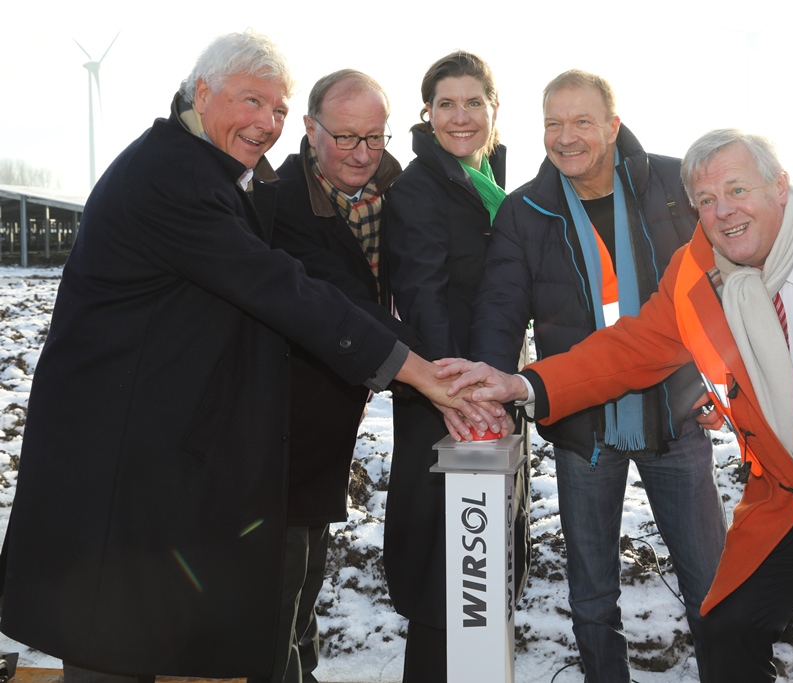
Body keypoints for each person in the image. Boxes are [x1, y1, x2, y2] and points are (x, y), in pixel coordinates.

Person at [0, 31, 499, 683]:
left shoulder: (211, 169)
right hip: (116, 459)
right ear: (202, 93)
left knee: (134, 635)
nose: (266, 121)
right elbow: (285, 287)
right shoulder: (173, 179)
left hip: (154, 450)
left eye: (277, 108)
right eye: (252, 101)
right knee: (109, 640)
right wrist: (421, 371)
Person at [442, 129, 793, 683]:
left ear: (780, 185)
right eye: (705, 200)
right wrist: (525, 385)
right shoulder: (697, 271)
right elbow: (630, 349)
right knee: (728, 628)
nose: (722, 211)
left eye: (737, 189)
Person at [468, 69, 726, 682]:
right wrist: (486, 392)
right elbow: (501, 310)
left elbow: (727, 287)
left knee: (714, 587)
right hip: (582, 425)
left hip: (675, 412)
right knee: (591, 597)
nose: (566, 137)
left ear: (613, 125)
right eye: (553, 123)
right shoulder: (525, 210)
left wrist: (724, 383)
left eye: (582, 121)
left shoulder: (677, 186)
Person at [261, 69, 421, 683]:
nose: (361, 153)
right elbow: (339, 301)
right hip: (282, 415)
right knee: (279, 579)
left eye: (375, 138)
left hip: (337, 412)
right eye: (346, 137)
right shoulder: (275, 202)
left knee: (308, 571)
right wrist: (429, 369)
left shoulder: (397, 195)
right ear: (310, 129)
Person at [383, 51, 530, 682]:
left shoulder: (490, 180)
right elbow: (424, 296)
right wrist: (460, 394)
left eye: (474, 102)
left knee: (484, 559)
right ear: (428, 113)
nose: (460, 116)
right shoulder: (419, 188)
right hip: (446, 400)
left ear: (495, 109)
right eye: (446, 104)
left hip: (491, 391)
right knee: (446, 564)